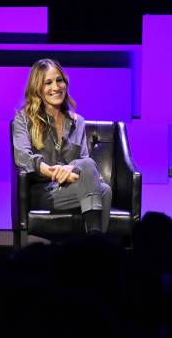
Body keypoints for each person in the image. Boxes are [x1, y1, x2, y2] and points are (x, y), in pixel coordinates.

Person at [12, 58, 111, 234]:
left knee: (103, 188)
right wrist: (53, 172)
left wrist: (68, 169)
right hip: (43, 192)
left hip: (72, 185)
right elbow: (22, 157)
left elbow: (82, 161)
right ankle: (98, 248)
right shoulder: (23, 118)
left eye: (59, 80)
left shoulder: (77, 121)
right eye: (48, 83)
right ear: (38, 89)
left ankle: (93, 248)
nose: (56, 87)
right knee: (99, 186)